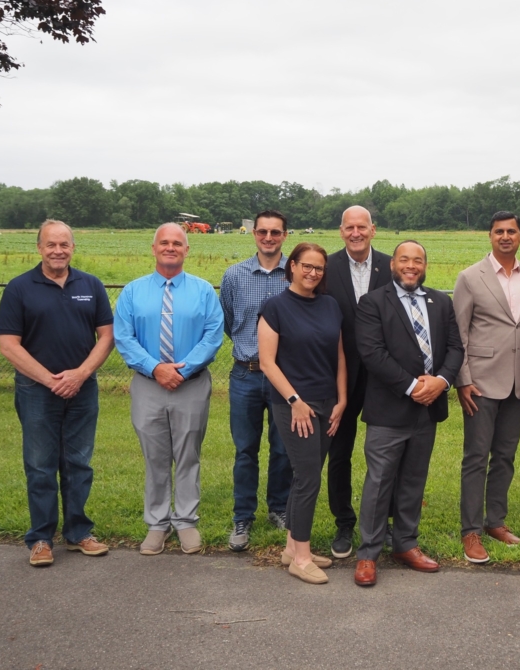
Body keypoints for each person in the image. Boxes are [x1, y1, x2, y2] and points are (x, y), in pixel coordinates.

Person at [0, 220, 115, 567]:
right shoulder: (19, 288)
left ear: (73, 247)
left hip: (83, 389)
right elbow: (8, 344)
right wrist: (51, 380)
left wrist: (80, 374)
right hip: (36, 390)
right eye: (51, 245)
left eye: (64, 244)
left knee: (78, 463)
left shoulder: (91, 285)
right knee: (40, 465)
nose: (58, 251)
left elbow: (107, 336)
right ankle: (41, 539)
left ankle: (78, 533)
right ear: (39, 248)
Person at [352, 240, 464, 587]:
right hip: (389, 409)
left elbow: (456, 348)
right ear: (393, 264)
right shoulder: (372, 303)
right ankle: (368, 554)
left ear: (425, 266)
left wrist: (441, 382)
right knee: (379, 481)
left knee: (414, 480)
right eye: (404, 259)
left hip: (427, 411)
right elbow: (372, 353)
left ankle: (405, 544)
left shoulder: (441, 302)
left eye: (418, 260)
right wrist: (413, 387)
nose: (411, 266)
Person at [113, 223, 223, 556]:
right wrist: (155, 368)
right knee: (155, 457)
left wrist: (183, 370)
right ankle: (157, 524)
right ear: (154, 248)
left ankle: (186, 521)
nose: (170, 247)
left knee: (188, 455)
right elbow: (124, 337)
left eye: (177, 243)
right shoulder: (133, 292)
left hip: (191, 385)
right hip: (148, 385)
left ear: (187, 249)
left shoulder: (204, 291)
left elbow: (213, 335)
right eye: (164, 242)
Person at [257, 242, 347, 585]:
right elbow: (267, 363)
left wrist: (341, 400)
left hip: (327, 403)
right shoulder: (275, 307)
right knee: (309, 479)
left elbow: (339, 355)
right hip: (294, 406)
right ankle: (302, 559)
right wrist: (295, 401)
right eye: (306, 265)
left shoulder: (330, 305)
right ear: (292, 266)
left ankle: (291, 548)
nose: (312, 272)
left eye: (319, 268)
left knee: (304, 477)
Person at [453, 211, 520, 564]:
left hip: (518, 382)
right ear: (490, 236)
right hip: (481, 383)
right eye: (499, 231)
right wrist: (463, 380)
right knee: (476, 457)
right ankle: (471, 530)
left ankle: (495, 521)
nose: (505, 236)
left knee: (505, 456)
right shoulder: (470, 277)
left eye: (511, 231)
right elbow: (459, 333)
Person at [219, 210, 293, 552]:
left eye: (275, 232)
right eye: (262, 231)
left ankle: (279, 508)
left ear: (285, 235)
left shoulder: (295, 273)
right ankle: (243, 516)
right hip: (245, 375)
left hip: (284, 377)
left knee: (283, 448)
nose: (268, 237)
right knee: (245, 450)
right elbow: (229, 320)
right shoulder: (234, 275)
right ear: (254, 234)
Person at [323, 205, 393, 558]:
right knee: (339, 452)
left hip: (384, 376)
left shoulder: (391, 266)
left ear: (372, 230)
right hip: (340, 375)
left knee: (387, 453)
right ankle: (344, 521)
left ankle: (385, 522)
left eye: (361, 227)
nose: (355, 233)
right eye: (349, 227)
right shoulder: (326, 267)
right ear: (341, 231)